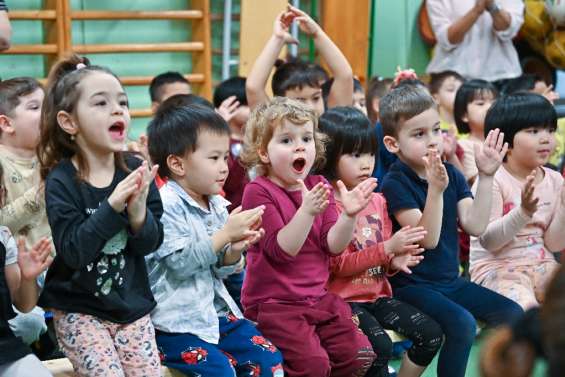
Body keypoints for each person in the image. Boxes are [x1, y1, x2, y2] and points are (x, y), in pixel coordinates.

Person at [379, 84, 524, 377]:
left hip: (450, 281)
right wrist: (435, 190)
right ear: (393, 144)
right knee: (462, 323)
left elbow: (475, 224)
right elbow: (427, 239)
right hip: (412, 286)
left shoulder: (452, 173)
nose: (432, 141)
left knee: (514, 314)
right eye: (419, 134)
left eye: (435, 130)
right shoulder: (395, 182)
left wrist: (485, 176)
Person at [36, 55, 164, 377]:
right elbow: (74, 251)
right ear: (69, 123)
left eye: (122, 101)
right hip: (79, 310)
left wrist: (137, 216)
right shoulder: (62, 180)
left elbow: (151, 243)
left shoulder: (136, 169)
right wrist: (112, 207)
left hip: (131, 307)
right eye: (101, 103)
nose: (118, 109)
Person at [239, 97, 377, 376]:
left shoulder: (319, 184)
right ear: (264, 153)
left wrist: (349, 215)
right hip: (274, 304)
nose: (300, 145)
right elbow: (282, 250)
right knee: (313, 365)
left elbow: (333, 245)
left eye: (306, 137)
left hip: (317, 297)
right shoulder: (258, 190)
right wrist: (306, 211)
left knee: (360, 355)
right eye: (287, 140)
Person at [146, 104, 283, 377]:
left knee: (269, 360)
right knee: (221, 371)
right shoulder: (165, 204)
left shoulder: (217, 204)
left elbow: (221, 269)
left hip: (215, 314)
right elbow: (180, 264)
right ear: (178, 164)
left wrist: (234, 249)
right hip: (173, 323)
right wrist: (224, 236)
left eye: (224, 158)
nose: (224, 167)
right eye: (214, 158)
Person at [319, 106, 443, 377]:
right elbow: (337, 266)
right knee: (379, 347)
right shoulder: (326, 205)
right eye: (355, 155)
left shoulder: (378, 200)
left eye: (370, 154)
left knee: (431, 334)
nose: (366, 162)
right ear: (329, 157)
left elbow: (381, 256)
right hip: (342, 300)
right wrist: (387, 249)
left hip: (376, 296)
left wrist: (394, 261)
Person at [470, 93, 563, 310]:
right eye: (533, 131)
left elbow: (554, 244)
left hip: (543, 264)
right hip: (495, 269)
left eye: (550, 130)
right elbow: (489, 241)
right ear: (506, 142)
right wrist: (523, 212)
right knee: (528, 312)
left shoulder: (554, 179)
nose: (546, 138)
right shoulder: (492, 180)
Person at [0, 77, 52, 346]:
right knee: (29, 319)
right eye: (35, 107)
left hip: (55, 264)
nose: (45, 114)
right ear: (6, 123)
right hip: (17, 272)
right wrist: (37, 196)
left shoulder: (51, 157)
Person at [245, 5, 353, 114]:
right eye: (299, 101)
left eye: (316, 98)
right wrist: (278, 38)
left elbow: (345, 75)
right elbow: (253, 88)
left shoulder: (331, 124)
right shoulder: (272, 125)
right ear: (280, 104)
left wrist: (317, 33)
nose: (311, 108)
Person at [426, 0, 524, 82]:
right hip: (453, 77)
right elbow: (447, 40)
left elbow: (509, 31)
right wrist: (476, 11)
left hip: (501, 75)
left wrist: (492, 6)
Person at [213, 76, 251, 211]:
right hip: (232, 211)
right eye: (246, 104)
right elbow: (230, 183)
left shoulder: (255, 137)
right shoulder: (221, 142)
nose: (253, 107)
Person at [453, 79, 498, 184]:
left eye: (494, 102)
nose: (490, 107)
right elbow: (475, 181)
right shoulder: (464, 146)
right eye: (481, 103)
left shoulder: (507, 141)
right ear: (464, 115)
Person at [429, 70, 464, 135]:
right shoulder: (431, 126)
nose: (459, 93)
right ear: (435, 98)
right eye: (451, 90)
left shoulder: (470, 125)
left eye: (461, 89)